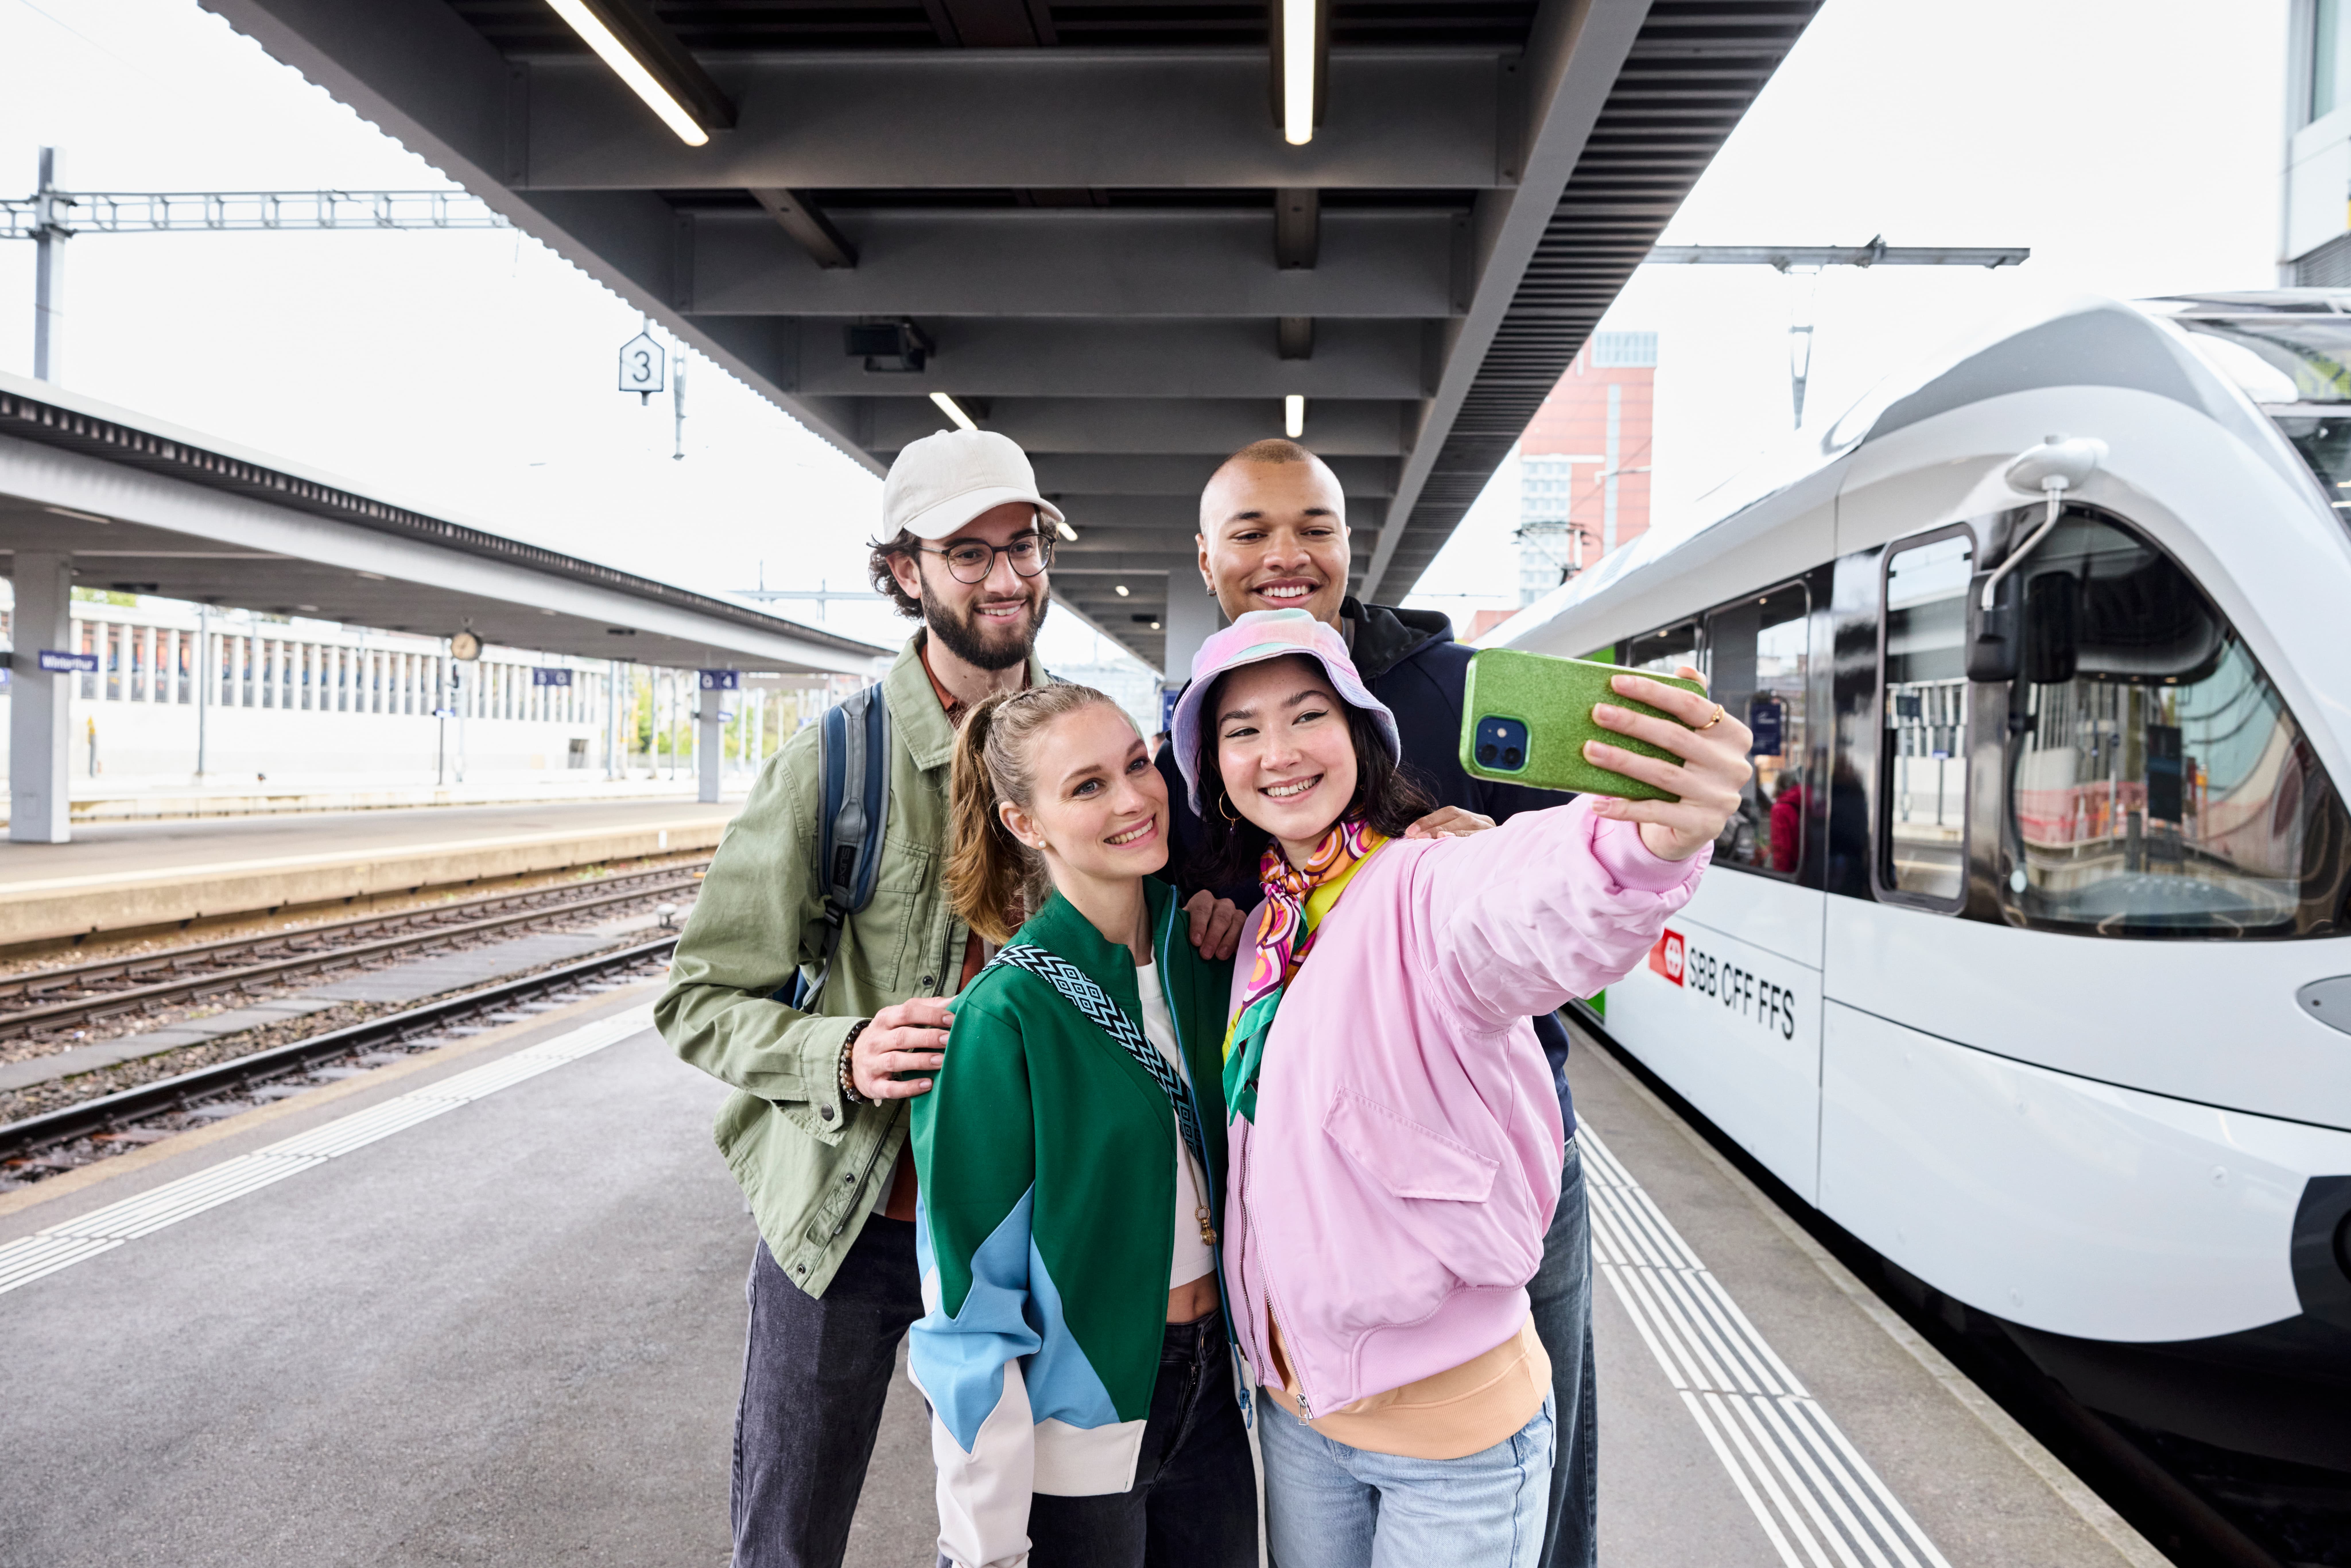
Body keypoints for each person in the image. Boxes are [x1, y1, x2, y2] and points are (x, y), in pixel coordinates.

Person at [1170, 609, 1749, 1567]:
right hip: (1301, 1418)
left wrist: (1644, 843)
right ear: (1216, 772)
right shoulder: (1265, 930)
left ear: (1359, 735)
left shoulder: (1423, 883)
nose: (1277, 752)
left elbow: (1529, 897)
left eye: (1308, 715)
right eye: (1241, 730)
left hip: (1455, 1441)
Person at [1153, 437, 1600, 1567]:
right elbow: (1177, 879)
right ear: (1205, 559)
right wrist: (1213, 904)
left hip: (1490, 1126)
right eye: (1250, 533)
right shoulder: (1200, 734)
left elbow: (1582, 868)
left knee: (1538, 1416)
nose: (1285, 555)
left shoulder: (1464, 688)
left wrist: (1503, 856)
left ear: (1355, 545)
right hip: (1313, 1163)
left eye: (1314, 526)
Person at [658, 427, 1065, 1568]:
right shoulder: (834, 760)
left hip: (1023, 1228)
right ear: (904, 572)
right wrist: (840, 1052)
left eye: (1022, 545)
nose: (1005, 575)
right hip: (844, 1224)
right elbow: (698, 996)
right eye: (967, 552)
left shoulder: (1086, 747)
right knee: (789, 1538)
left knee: (1020, 1540)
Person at [910, 684, 1255, 1568]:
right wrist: (982, 1544)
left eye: (1138, 765)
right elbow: (966, 1302)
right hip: (1083, 1427)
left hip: (1229, 1400)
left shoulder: (1221, 960)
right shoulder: (1002, 1019)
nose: (1135, 799)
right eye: (1088, 786)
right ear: (1026, 825)